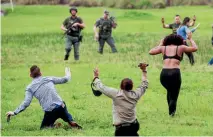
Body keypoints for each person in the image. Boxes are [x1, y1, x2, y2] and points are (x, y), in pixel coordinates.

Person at [6, 65, 82, 129]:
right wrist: (68, 73)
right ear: (41, 73)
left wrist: (14, 112)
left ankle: (53, 126)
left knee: (44, 128)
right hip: (61, 106)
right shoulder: (48, 78)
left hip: (51, 111)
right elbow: (65, 79)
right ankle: (70, 121)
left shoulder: (29, 88)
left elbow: (26, 103)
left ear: (30, 75)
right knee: (64, 112)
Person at [92, 63, 148, 136]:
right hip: (134, 126)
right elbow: (144, 84)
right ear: (132, 86)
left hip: (121, 129)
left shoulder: (116, 94)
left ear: (121, 86)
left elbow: (101, 87)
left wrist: (96, 77)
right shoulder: (135, 94)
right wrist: (144, 70)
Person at [149, 33, 198, 116]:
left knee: (169, 91)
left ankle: (170, 113)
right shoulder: (181, 47)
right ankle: (172, 114)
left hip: (164, 74)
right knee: (174, 96)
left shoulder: (163, 48)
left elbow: (151, 52)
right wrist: (191, 39)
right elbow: (195, 48)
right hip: (175, 73)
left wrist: (161, 44)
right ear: (178, 40)